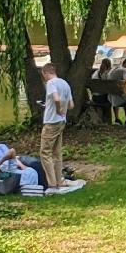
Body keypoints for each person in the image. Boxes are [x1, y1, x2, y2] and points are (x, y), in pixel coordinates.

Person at [40, 63, 74, 193]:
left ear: (46, 73)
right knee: (57, 152)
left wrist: (58, 109)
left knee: (45, 153)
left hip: (51, 122)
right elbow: (71, 105)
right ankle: (59, 180)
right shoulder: (65, 84)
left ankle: (52, 184)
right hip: (61, 121)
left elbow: (56, 99)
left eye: (43, 75)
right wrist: (62, 111)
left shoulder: (51, 83)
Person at [108, 57, 126, 126]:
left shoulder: (113, 69)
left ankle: (117, 118)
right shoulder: (124, 70)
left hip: (111, 98)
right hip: (120, 98)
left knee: (119, 95)